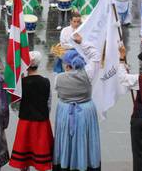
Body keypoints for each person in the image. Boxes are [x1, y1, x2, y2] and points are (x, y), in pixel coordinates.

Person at [52, 35, 102, 171]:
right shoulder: (88, 73)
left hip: (65, 111)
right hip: (85, 111)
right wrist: (82, 42)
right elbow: (96, 56)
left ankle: (65, 163)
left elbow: (57, 76)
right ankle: (85, 162)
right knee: (85, 138)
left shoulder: (58, 78)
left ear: (66, 65)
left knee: (66, 138)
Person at [10, 51, 53, 170]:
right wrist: (44, 113)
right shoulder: (46, 81)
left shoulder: (22, 83)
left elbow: (15, 104)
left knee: (24, 149)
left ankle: (24, 168)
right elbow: (48, 102)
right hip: (41, 121)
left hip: (25, 120)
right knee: (41, 150)